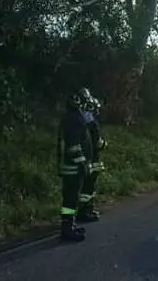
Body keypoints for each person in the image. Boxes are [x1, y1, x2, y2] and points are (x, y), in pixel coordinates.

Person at [57, 89, 92, 242]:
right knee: (70, 199)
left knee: (70, 199)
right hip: (73, 168)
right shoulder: (75, 120)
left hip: (68, 166)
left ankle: (70, 225)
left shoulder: (67, 118)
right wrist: (83, 162)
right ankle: (67, 229)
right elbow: (74, 146)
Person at [76, 89, 107, 223]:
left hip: (81, 159)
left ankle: (83, 210)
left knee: (82, 187)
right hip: (91, 159)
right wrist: (104, 144)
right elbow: (98, 142)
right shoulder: (91, 121)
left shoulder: (77, 119)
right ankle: (85, 211)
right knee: (88, 188)